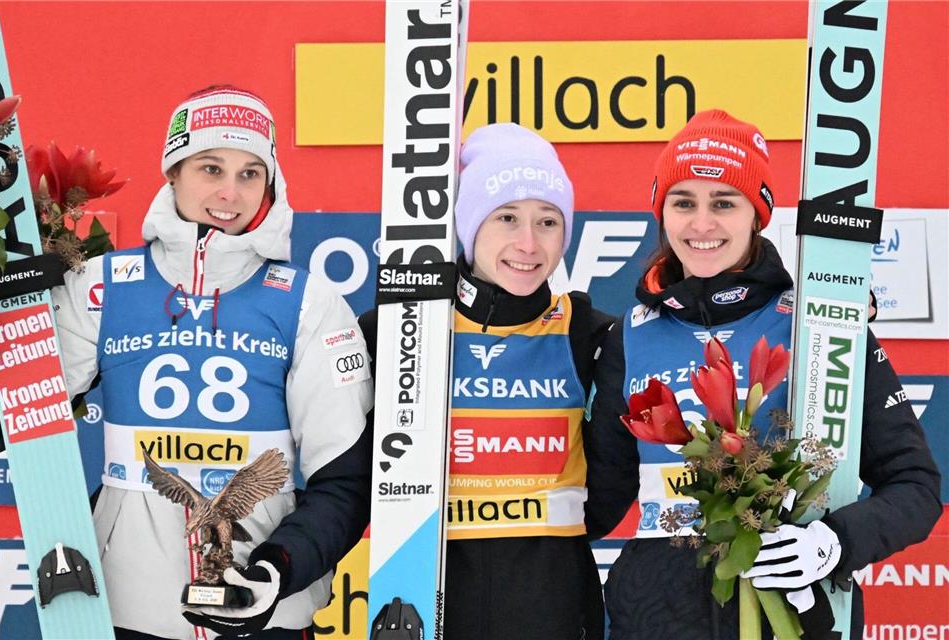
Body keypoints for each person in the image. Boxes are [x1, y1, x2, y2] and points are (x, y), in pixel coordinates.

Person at [585, 109, 941, 639]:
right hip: (655, 617)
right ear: (662, 214)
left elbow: (915, 487)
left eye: (724, 203)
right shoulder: (629, 335)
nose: (701, 225)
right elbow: (596, 501)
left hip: (792, 611)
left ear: (757, 214)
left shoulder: (821, 324)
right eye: (683, 203)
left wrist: (834, 542)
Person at [51, 86, 374, 640]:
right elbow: (12, 422)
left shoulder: (309, 301)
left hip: (261, 611)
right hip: (126, 609)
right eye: (210, 167)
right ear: (173, 171)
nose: (230, 192)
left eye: (251, 173)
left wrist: (277, 571)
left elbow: (343, 481)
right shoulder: (99, 286)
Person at [359, 123, 613, 640]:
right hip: (426, 600)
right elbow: (349, 477)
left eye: (548, 221)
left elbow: (614, 474)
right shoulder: (400, 329)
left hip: (552, 606)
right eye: (506, 218)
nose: (528, 242)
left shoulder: (588, 332)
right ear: (470, 226)